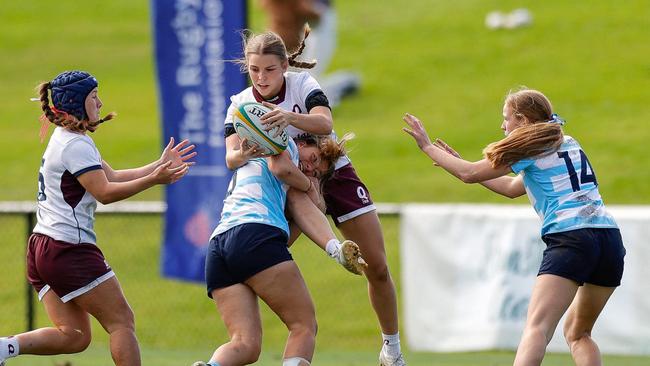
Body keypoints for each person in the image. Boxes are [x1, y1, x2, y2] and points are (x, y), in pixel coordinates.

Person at [401, 88, 625, 366]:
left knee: (537, 329)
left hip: (572, 238)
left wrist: (427, 146)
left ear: (521, 119)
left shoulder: (529, 147)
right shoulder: (566, 141)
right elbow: (510, 187)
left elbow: (468, 173)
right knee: (578, 334)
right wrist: (459, 163)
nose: (503, 126)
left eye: (506, 118)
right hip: (609, 240)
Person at [228, 29, 406, 366]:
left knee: (377, 266)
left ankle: (391, 350)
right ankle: (238, 345)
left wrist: (289, 118)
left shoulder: (302, 84)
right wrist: (244, 153)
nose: (262, 78)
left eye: (270, 69)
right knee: (258, 260)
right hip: (292, 187)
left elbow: (324, 124)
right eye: (254, 70)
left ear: (284, 66)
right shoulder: (240, 104)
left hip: (332, 172)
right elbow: (230, 158)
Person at [0, 70, 196, 366]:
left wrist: (158, 165)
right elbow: (105, 192)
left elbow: (111, 175)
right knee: (121, 322)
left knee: (74, 335)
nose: (101, 104)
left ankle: (5, 348)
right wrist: (155, 180)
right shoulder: (75, 145)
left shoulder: (67, 138)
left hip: (42, 247)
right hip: (68, 249)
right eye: (94, 98)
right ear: (78, 104)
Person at [192, 129, 360, 366]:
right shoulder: (286, 144)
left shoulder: (276, 177)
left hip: (219, 246)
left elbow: (282, 245)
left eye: (316, 172)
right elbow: (282, 170)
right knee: (303, 325)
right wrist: (311, 189)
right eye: (313, 159)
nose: (310, 169)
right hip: (255, 234)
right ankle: (335, 248)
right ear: (304, 143)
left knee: (245, 344)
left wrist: (308, 205)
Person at [259, 0, 360, 107]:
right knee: (286, 83)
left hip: (317, 16)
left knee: (306, 83)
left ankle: (343, 83)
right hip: (296, 22)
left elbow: (312, 14)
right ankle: (346, 81)